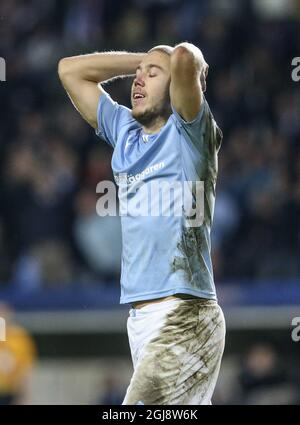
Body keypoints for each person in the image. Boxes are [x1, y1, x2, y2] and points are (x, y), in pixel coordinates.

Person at [58, 42, 225, 405]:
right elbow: (69, 70)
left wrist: (181, 66)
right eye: (137, 74)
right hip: (142, 321)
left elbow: (184, 56)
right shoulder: (125, 132)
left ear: (178, 86)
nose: (138, 79)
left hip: (185, 314)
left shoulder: (190, 133)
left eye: (152, 75)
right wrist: (145, 61)